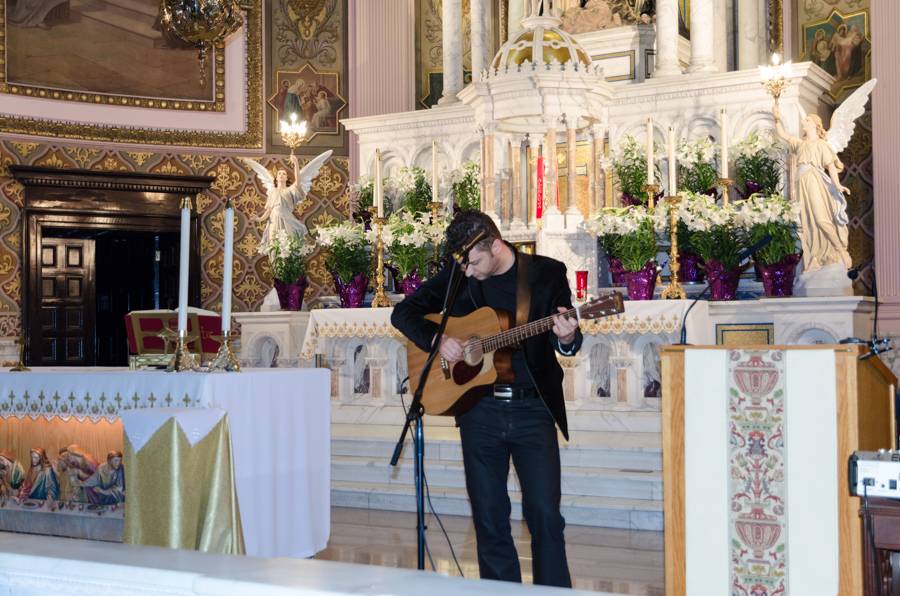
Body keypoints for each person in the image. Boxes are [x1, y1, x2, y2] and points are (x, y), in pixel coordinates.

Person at [391, 210, 581, 587]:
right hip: (479, 410)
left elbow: (567, 337)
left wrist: (567, 337)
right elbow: (403, 313)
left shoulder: (546, 273)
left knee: (545, 515)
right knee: (489, 519)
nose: (468, 272)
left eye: (475, 263)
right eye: (464, 264)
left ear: (495, 246)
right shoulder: (460, 273)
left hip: (533, 410)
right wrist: (438, 340)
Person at [772, 104, 852, 273]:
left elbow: (831, 166)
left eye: (807, 120)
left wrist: (838, 185)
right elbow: (783, 135)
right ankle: (815, 257)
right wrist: (777, 118)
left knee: (821, 219)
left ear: (815, 125)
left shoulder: (821, 144)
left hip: (814, 181)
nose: (804, 121)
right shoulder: (800, 144)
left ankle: (840, 251)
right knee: (807, 223)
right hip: (801, 184)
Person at [256, 154, 308, 249]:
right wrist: (259, 219)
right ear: (276, 178)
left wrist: (296, 163)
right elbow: (269, 210)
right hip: (274, 220)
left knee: (289, 244)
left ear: (286, 178)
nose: (281, 175)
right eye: (279, 173)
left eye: (284, 174)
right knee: (274, 245)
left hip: (287, 219)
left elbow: (298, 181)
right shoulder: (273, 192)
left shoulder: (290, 190)